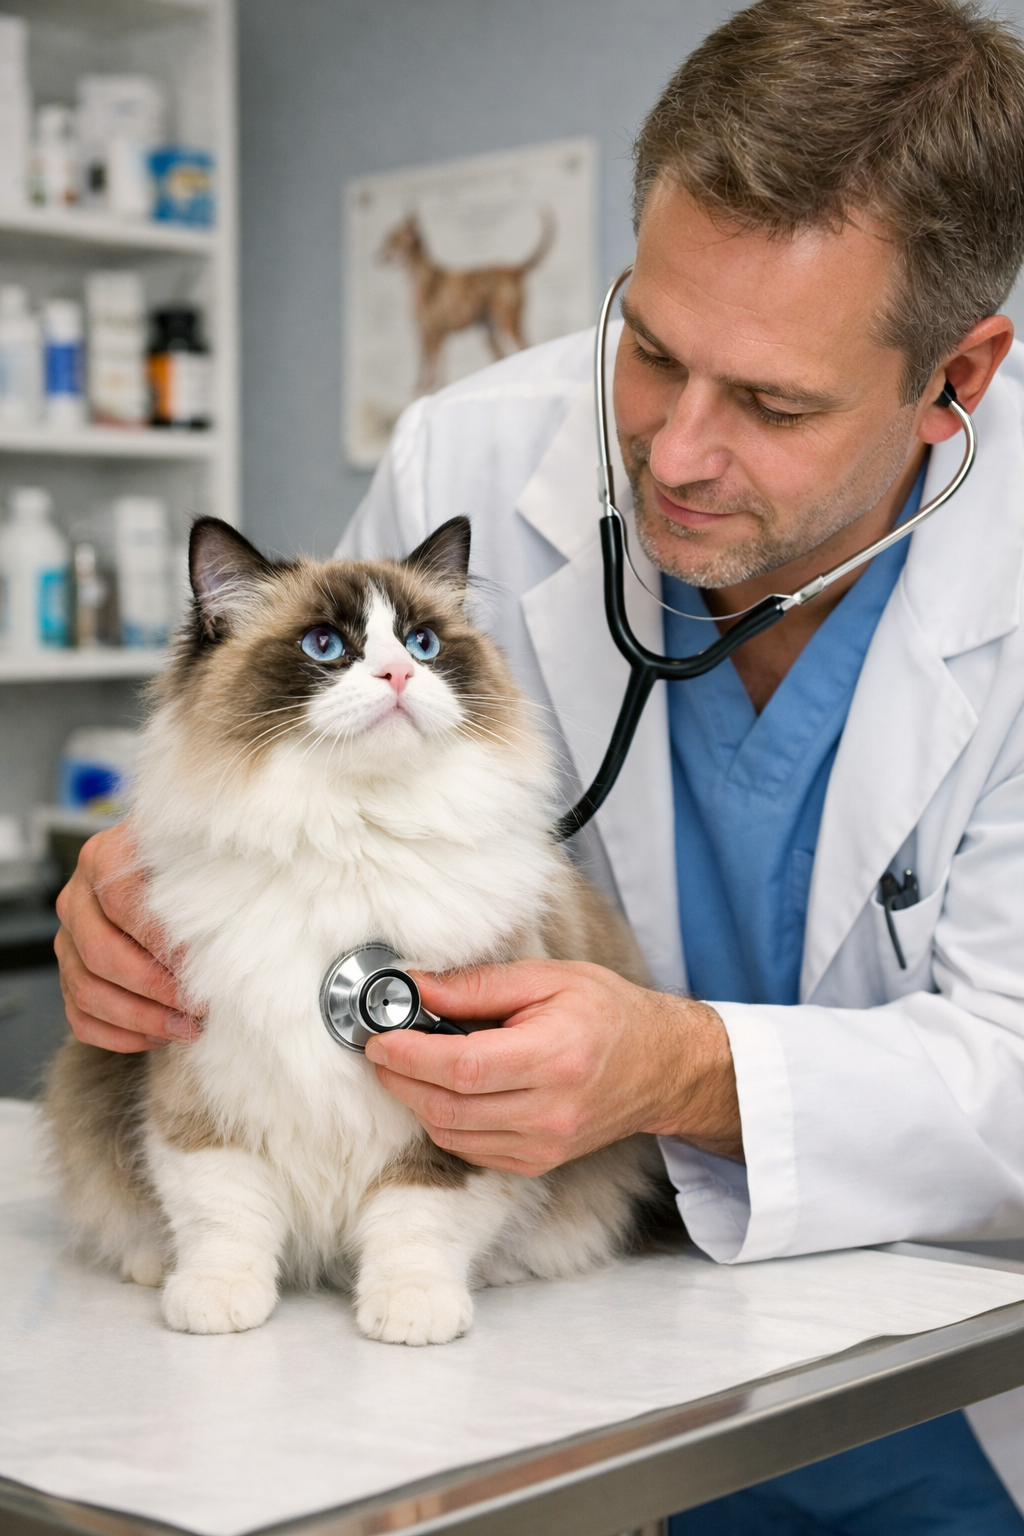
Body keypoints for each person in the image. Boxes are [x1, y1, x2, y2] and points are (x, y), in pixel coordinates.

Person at [54, 0, 1024, 1528]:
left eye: (773, 402)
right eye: (651, 348)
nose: (675, 451)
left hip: (928, 1356)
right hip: (538, 1341)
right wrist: (157, 888)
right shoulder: (473, 451)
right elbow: (285, 777)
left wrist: (682, 1071)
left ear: (957, 376)